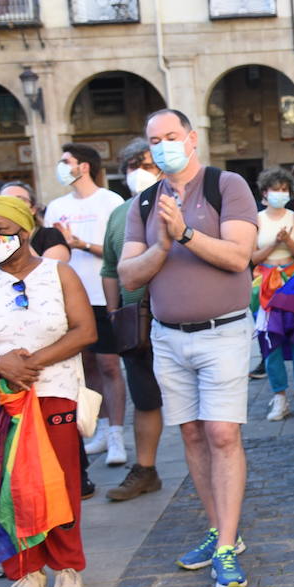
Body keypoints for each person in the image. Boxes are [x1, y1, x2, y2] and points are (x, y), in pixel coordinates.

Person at [120, 109, 257, 587]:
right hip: (168, 337)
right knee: (194, 435)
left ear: (192, 139)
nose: (162, 147)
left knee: (222, 433)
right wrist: (160, 246)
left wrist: (185, 234)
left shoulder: (227, 185)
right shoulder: (142, 204)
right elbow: (129, 276)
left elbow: (239, 256)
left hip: (223, 331)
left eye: (171, 136)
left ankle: (225, 548)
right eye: (154, 140)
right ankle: (222, 531)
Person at [0, 195, 96, 587]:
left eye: (1, 230)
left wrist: (31, 364)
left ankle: (67, 566)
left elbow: (85, 331)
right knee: (3, 485)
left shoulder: (59, 273)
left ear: (23, 231)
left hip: (51, 393)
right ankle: (24, 573)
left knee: (59, 481)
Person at [45, 143, 128, 468]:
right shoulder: (56, 207)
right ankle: (103, 428)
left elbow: (120, 249)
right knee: (88, 366)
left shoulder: (111, 201)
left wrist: (82, 244)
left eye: (66, 161)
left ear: (84, 166)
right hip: (69, 298)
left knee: (110, 366)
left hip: (103, 294)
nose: (61, 167)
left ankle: (119, 433)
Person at [99, 140, 165, 502]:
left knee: (198, 402)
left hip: (177, 315)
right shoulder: (119, 214)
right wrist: (114, 312)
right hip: (135, 320)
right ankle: (145, 468)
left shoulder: (179, 206)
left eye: (147, 164)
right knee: (144, 397)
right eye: (132, 164)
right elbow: (110, 268)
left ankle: (214, 462)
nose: (139, 170)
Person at [251, 168, 294, 422]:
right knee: (270, 343)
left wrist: (289, 242)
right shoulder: (256, 219)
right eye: (274, 189)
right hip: (266, 285)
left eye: (284, 190)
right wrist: (273, 244)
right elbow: (251, 257)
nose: (280, 194)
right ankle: (279, 397)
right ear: (265, 192)